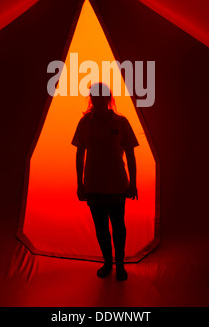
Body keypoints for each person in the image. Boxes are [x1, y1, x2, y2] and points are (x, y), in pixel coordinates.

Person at [71, 82, 139, 281]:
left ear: (108, 99)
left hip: (117, 183)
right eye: (96, 97)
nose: (99, 100)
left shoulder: (121, 122)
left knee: (118, 225)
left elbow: (131, 154)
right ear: (92, 99)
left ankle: (119, 264)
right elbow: (79, 153)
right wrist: (79, 183)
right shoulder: (85, 123)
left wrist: (133, 182)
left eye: (103, 97)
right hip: (93, 183)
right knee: (101, 226)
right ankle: (108, 262)